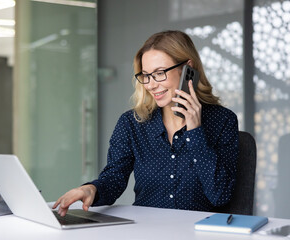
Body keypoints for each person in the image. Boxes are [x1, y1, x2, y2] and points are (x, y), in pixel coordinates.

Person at [53, 30, 239, 217]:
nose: (150, 84)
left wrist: (195, 131)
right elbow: (113, 178)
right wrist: (91, 189)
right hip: (145, 230)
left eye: (159, 73)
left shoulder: (223, 121)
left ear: (187, 69)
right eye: (146, 75)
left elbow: (220, 195)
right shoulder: (131, 123)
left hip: (198, 232)